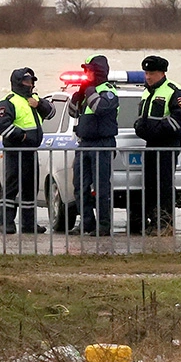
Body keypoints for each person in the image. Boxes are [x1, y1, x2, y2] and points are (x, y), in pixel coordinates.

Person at [0, 68, 55, 234]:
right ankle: (6, 222)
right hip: (15, 152)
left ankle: (28, 224)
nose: (31, 85)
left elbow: (51, 113)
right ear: (19, 82)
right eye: (27, 81)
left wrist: (39, 104)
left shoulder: (34, 99)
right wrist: (23, 137)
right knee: (11, 189)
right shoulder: (8, 102)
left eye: (32, 81)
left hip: (31, 152)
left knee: (30, 189)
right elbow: (3, 127)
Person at [133, 55, 181, 235]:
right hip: (150, 144)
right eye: (146, 73)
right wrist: (139, 128)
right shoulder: (146, 92)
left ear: (162, 73)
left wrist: (157, 129)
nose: (148, 77)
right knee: (150, 185)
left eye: (152, 73)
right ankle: (154, 221)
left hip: (167, 144)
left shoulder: (173, 91)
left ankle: (166, 224)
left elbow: (180, 117)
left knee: (164, 185)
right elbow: (141, 117)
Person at [68, 55, 119, 235]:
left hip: (102, 144)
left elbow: (100, 108)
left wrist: (89, 91)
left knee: (101, 187)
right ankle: (87, 222)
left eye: (89, 70)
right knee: (79, 186)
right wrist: (78, 95)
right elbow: (72, 113)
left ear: (97, 71)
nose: (86, 73)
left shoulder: (108, 90)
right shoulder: (87, 90)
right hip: (84, 143)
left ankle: (104, 226)